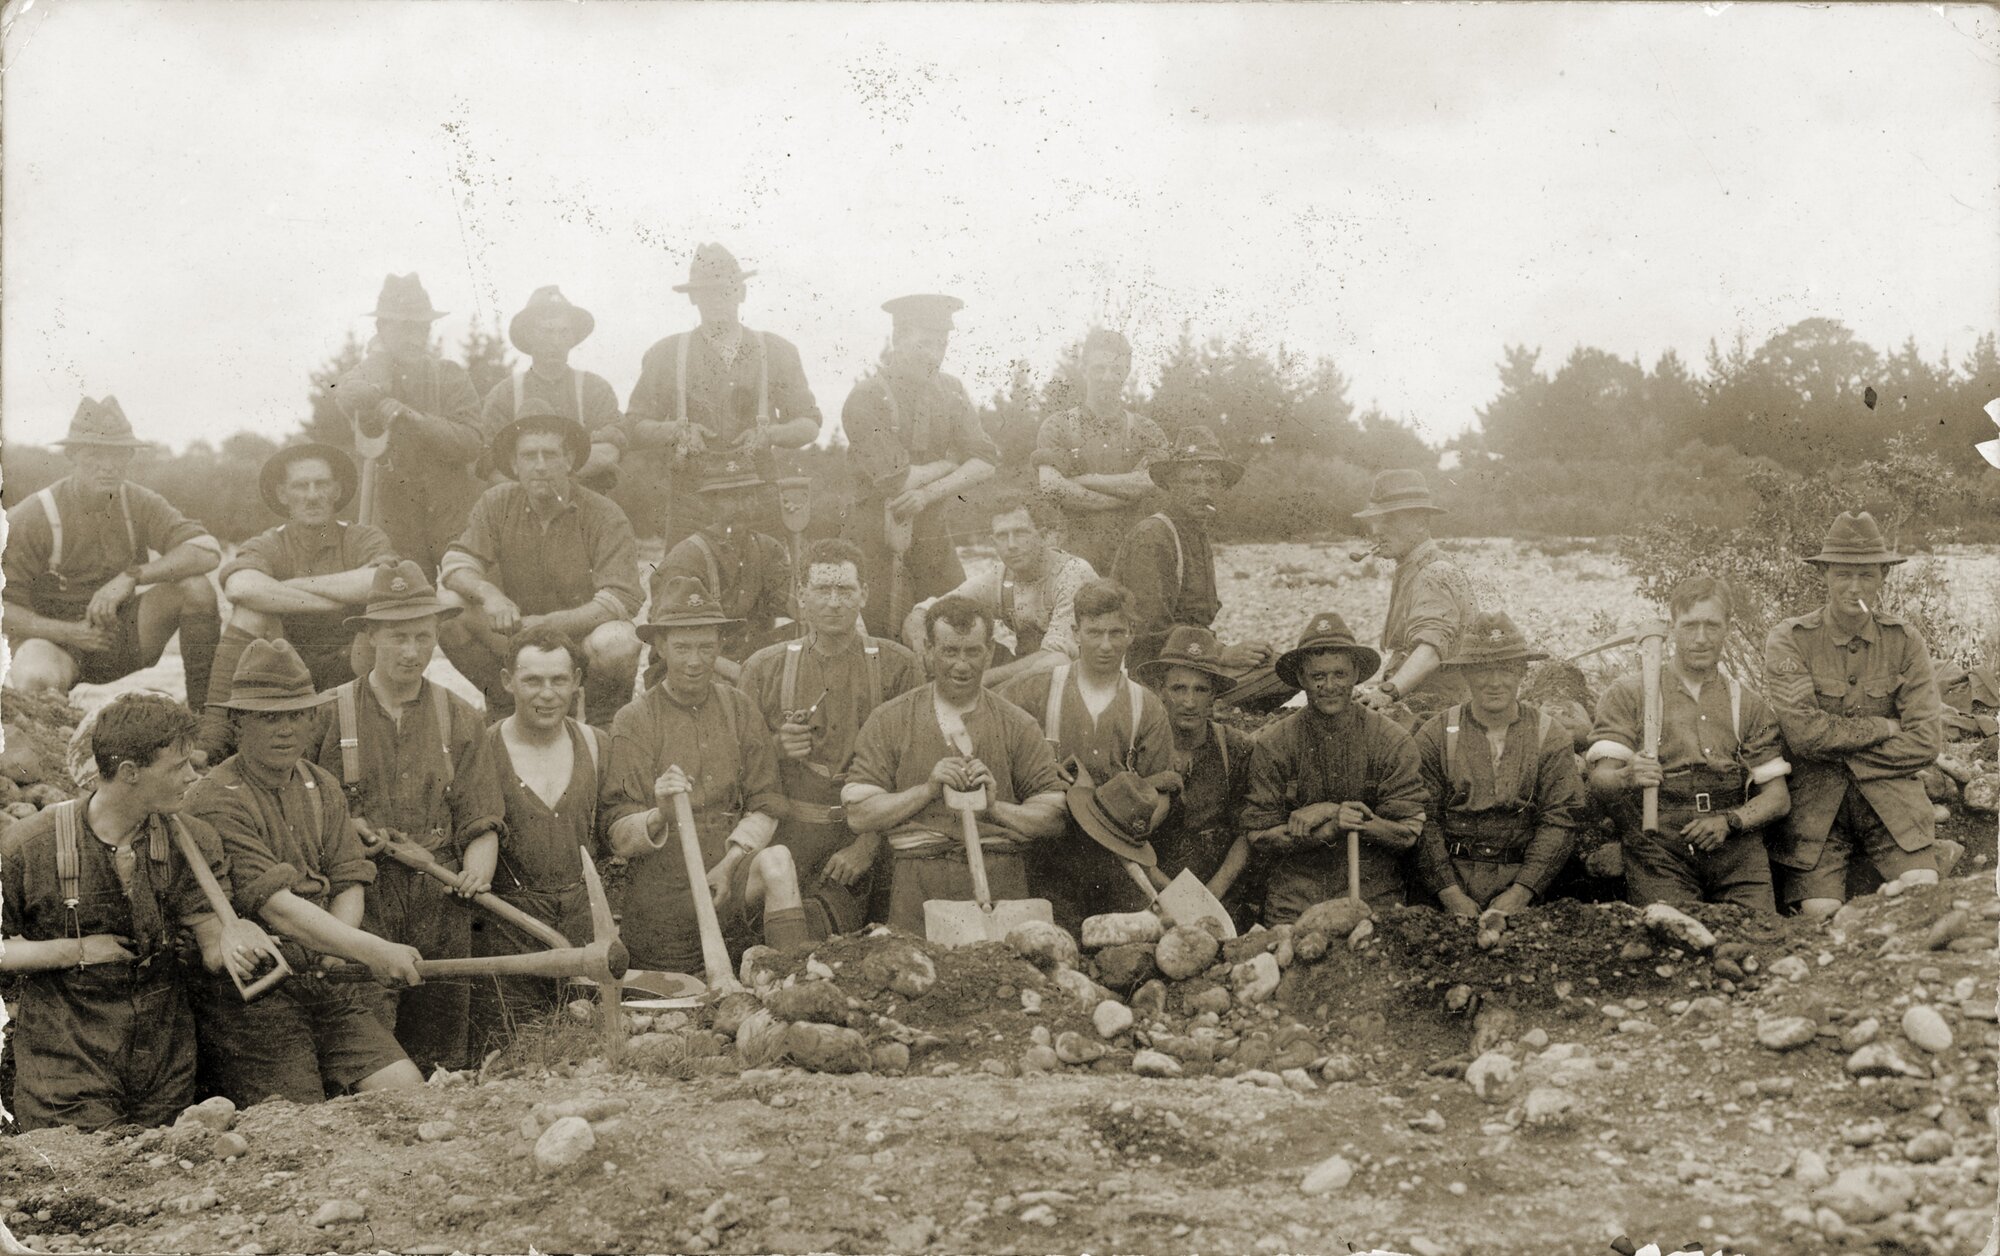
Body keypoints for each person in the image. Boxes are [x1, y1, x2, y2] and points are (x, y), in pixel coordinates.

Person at [0, 694, 278, 1130]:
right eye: (177, 767)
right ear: (129, 772)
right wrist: (76, 951)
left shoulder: (195, 843)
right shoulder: (30, 847)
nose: (192, 776)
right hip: (66, 1067)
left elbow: (210, 943)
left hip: (162, 1065)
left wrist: (237, 945)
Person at [183, 641, 426, 1106]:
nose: (286, 730)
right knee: (298, 1119)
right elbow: (280, 910)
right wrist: (371, 950)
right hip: (254, 993)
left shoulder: (320, 784)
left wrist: (340, 947)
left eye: (297, 715)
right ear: (238, 723)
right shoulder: (217, 798)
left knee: (406, 1094)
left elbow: (350, 877)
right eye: (269, 717)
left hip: (324, 978)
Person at [312, 561, 505, 1074]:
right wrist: (342, 826)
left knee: (444, 1060)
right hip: (360, 905)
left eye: (422, 637)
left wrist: (477, 871)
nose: (411, 651)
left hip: (440, 904)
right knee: (368, 1056)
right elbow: (296, 811)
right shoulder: (326, 715)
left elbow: (480, 817)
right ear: (371, 636)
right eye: (397, 637)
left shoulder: (460, 716)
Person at [601, 577, 805, 972]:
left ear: (720, 646)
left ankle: (793, 985)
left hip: (729, 875)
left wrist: (729, 865)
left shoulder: (739, 708)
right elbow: (617, 836)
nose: (694, 661)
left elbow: (767, 803)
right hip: (664, 896)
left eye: (705, 647)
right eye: (682, 648)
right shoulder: (635, 720)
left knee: (777, 860)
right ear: (660, 647)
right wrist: (659, 813)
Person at [844, 596, 1069, 933]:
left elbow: (1054, 818)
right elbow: (859, 814)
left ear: (990, 652)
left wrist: (995, 808)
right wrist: (927, 790)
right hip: (919, 876)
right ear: (928, 650)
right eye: (949, 652)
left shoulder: (1017, 723)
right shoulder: (890, 719)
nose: (962, 666)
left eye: (973, 652)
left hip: (1001, 877)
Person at [738, 540, 925, 939]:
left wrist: (867, 846)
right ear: (801, 595)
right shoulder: (763, 668)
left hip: (872, 839)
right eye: (823, 590)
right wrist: (775, 748)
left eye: (846, 590)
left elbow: (914, 772)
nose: (835, 602)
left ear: (865, 595)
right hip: (789, 837)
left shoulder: (898, 667)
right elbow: (736, 769)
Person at [1762, 512, 1944, 920]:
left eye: (1867, 576)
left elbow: (1927, 742)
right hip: (1816, 813)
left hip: (1893, 805)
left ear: (1883, 577)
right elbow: (1805, 735)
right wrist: (1882, 727)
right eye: (1844, 574)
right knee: (1819, 913)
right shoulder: (1790, 639)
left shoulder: (1905, 641)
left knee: (1920, 897)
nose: (1855, 587)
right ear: (1824, 574)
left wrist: (1838, 747)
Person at [1584, 579, 1791, 913]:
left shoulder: (1748, 704)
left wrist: (1731, 821)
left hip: (1734, 844)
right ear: (1672, 627)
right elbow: (1600, 779)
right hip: (1659, 843)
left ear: (1728, 628)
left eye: (1711, 626)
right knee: (1675, 940)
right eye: (1689, 625)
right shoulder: (1631, 693)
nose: (1700, 638)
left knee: (1759, 940)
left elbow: (1777, 798)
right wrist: (1627, 775)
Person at [3, 397, 222, 703]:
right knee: (35, 680)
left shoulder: (138, 501)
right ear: (73, 455)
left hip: (118, 639)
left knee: (196, 589)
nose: (108, 466)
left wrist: (132, 576)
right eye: (95, 453)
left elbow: (207, 550)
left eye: (118, 454)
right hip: (51, 643)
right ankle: (54, 739)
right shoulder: (33, 515)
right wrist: (69, 633)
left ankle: (205, 719)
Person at [438, 403, 643, 721]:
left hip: (581, 643)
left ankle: (604, 722)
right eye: (529, 456)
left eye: (550, 454)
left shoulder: (604, 514)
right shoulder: (497, 502)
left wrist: (551, 624)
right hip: (516, 638)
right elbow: (456, 562)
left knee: (618, 640)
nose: (540, 466)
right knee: (449, 606)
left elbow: (619, 600)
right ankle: (505, 706)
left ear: (570, 460)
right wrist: (489, 595)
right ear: (514, 464)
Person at [194, 442, 393, 763]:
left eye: (322, 484)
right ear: (284, 494)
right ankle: (215, 735)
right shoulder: (269, 542)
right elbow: (241, 587)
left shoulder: (362, 538)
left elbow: (379, 581)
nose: (312, 495)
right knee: (249, 611)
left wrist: (283, 591)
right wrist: (336, 600)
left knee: (382, 614)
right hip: (285, 668)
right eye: (301, 486)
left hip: (352, 666)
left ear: (337, 490)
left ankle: (378, 728)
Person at [466, 627, 610, 1052]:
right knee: (514, 1052)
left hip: (584, 928)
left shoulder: (595, 744)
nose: (546, 694)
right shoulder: (482, 749)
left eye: (559, 680)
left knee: (587, 1050)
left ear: (577, 681)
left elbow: (614, 828)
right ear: (508, 680)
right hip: (510, 931)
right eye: (532, 680)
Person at [1000, 580, 1174, 930]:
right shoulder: (1036, 689)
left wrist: (1122, 833)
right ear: (1076, 632)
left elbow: (1163, 793)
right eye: (1094, 633)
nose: (1106, 645)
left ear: (1131, 633)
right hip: (1046, 855)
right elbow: (997, 748)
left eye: (1116, 632)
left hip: (1118, 860)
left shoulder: (1147, 707)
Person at [623, 244, 821, 547]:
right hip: (692, 500)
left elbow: (809, 423)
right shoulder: (666, 354)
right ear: (693, 297)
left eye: (726, 290)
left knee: (769, 587)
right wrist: (676, 430)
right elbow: (634, 427)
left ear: (742, 292)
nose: (718, 299)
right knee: (686, 588)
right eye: (707, 292)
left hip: (762, 497)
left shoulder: (777, 351)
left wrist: (771, 434)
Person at [1242, 612, 1426, 919]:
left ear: (1356, 674)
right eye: (1318, 677)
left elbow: (1406, 833)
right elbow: (1259, 834)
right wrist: (1328, 827)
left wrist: (1339, 813)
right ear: (1301, 679)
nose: (1329, 686)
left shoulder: (1391, 740)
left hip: (1372, 889)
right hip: (1296, 893)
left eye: (1339, 675)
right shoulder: (1275, 743)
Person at [841, 294, 1000, 637]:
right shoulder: (866, 397)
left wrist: (928, 494)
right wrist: (951, 462)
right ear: (898, 341)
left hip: (933, 537)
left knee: (959, 625)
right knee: (881, 637)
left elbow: (986, 462)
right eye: (923, 344)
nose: (934, 354)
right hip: (875, 540)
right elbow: (897, 480)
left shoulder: (952, 390)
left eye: (941, 344)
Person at [1413, 612, 1583, 918]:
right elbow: (1424, 820)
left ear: (1521, 672)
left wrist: (1521, 893)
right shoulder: (1437, 733)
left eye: (1505, 669)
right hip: (1450, 882)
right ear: (1466, 674)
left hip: (1525, 882)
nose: (1494, 683)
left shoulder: (1549, 734)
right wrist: (1450, 895)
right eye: (1482, 670)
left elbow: (1560, 820)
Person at [332, 274, 485, 577]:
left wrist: (413, 418)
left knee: (460, 605)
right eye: (405, 327)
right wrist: (379, 362)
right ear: (381, 329)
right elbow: (346, 396)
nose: (416, 337)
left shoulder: (450, 376)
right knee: (397, 605)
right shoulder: (366, 374)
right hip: (392, 522)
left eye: (422, 328)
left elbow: (471, 442)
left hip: (450, 517)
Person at [1110, 427, 1272, 675]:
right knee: (1277, 673)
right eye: (1192, 482)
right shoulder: (1153, 536)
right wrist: (1222, 653)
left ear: (1221, 487)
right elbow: (1148, 631)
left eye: (1211, 481)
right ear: (1171, 485)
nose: (1203, 492)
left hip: (1191, 658)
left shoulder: (1196, 533)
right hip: (1155, 668)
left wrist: (1220, 651)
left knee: (1280, 666)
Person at [904, 494, 1098, 688]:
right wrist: (917, 631)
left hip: (1081, 678)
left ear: (1043, 535)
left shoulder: (1073, 573)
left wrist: (984, 678)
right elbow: (937, 607)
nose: (1012, 545)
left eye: (1021, 533)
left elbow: (1057, 655)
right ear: (993, 541)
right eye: (1002, 536)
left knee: (1054, 662)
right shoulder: (1001, 576)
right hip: (1028, 675)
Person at [1132, 626, 1257, 916]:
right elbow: (1126, 836)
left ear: (1214, 695)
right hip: (1151, 890)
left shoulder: (1235, 747)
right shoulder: (1140, 747)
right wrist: (1170, 893)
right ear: (1161, 690)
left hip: (1218, 893)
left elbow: (1247, 831)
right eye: (1178, 688)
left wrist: (1211, 894)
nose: (1189, 702)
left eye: (1200, 689)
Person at [647, 454, 795, 685]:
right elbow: (676, 643)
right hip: (691, 666)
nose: (741, 506)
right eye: (729, 498)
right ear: (710, 504)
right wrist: (745, 676)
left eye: (747, 495)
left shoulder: (768, 549)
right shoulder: (686, 559)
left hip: (748, 661)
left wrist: (797, 534)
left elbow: (794, 609)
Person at [1032, 329, 1171, 574]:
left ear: (1126, 372)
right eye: (1099, 368)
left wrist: (1086, 481)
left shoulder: (1146, 429)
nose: (1107, 377)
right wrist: (1123, 496)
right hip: (1074, 562)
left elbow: (1151, 481)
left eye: (1116, 369)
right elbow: (1052, 486)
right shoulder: (1058, 425)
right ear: (1084, 369)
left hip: (1135, 561)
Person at [1350, 469, 1478, 718]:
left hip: (1442, 712)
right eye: (1374, 521)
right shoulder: (1412, 568)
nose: (1376, 530)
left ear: (1421, 523)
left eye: (1388, 520)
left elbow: (1431, 648)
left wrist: (1387, 692)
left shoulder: (1434, 573)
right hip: (1424, 701)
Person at [479, 285, 624, 494]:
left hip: (586, 509)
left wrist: (551, 482)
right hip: (521, 508)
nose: (555, 342)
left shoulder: (595, 389)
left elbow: (610, 450)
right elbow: (491, 463)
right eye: (547, 332)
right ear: (529, 337)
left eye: (563, 332)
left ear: (572, 338)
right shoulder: (504, 394)